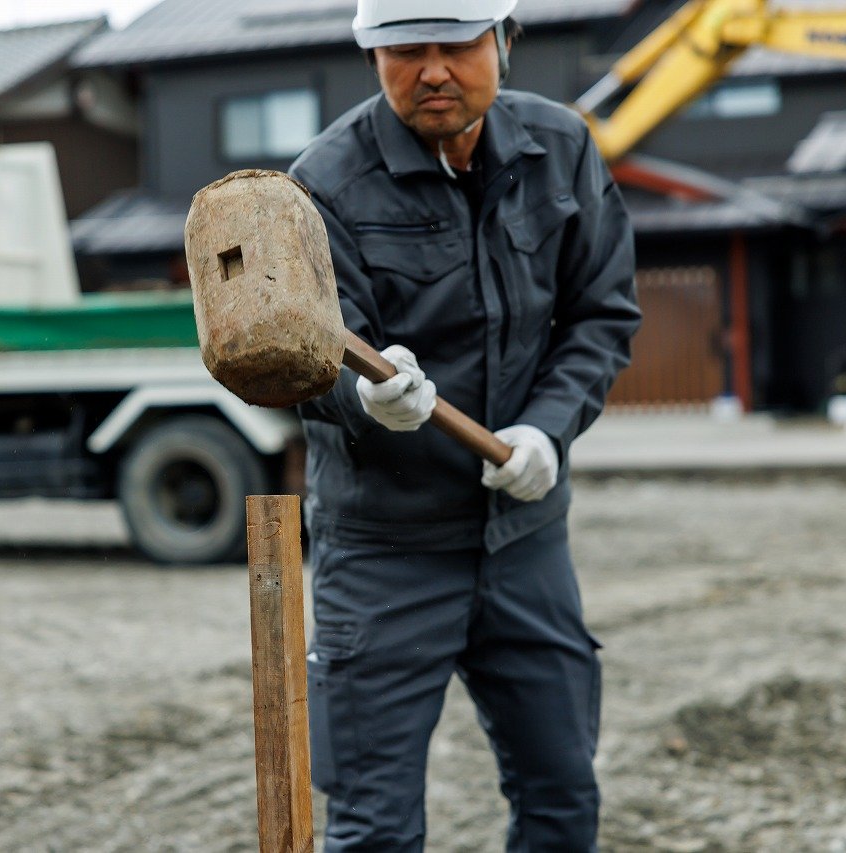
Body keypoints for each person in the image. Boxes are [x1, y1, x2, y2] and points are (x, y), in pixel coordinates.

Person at [287, 1, 642, 850]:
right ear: (372, 55)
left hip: (523, 537)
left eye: (458, 44)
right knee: (373, 826)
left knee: (561, 797)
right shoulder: (320, 185)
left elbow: (602, 313)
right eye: (406, 49)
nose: (434, 69)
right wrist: (365, 397)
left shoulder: (562, 150)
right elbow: (309, 355)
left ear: (505, 41)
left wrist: (547, 432)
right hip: (383, 551)